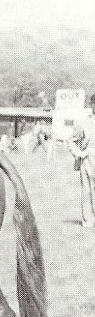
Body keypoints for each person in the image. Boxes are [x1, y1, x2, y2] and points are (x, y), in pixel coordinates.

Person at [67, 94, 95, 228]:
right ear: (92, 105)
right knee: (87, 190)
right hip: (88, 159)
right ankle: (89, 220)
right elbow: (71, 140)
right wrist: (79, 153)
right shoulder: (84, 122)